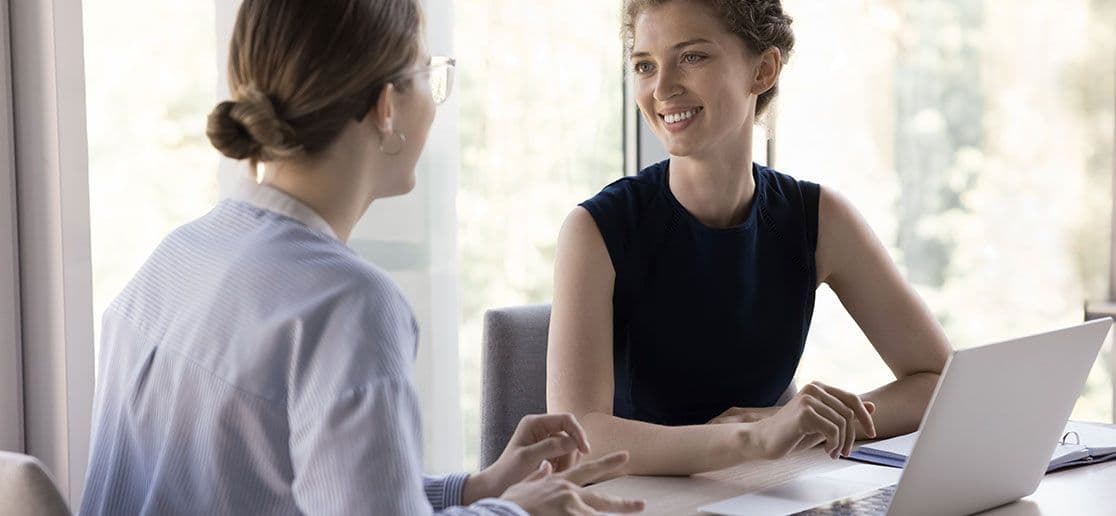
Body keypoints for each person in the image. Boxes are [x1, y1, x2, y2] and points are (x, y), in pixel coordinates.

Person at [79, 1, 645, 514]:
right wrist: (521, 511)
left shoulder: (176, 257)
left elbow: (323, 492)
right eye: (428, 74)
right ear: (385, 107)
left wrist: (479, 489)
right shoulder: (346, 306)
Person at [546, 0, 952, 476]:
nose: (662, 87)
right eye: (644, 65)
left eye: (692, 57)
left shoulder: (819, 218)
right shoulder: (594, 230)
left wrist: (801, 423)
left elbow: (940, 381)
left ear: (762, 70)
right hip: (630, 501)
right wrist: (754, 438)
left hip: (760, 495)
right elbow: (579, 435)